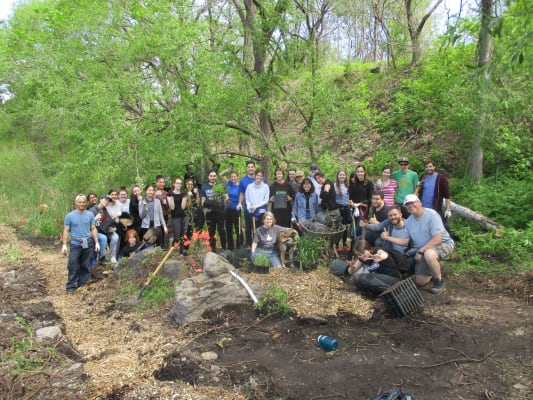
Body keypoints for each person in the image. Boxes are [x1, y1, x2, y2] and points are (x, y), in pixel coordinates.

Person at [397, 194, 455, 294]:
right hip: (426, 249)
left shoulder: (431, 215)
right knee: (420, 281)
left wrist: (421, 251)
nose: (410, 206)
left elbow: (437, 239)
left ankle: (439, 282)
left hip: (443, 244)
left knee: (429, 254)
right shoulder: (409, 222)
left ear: (419, 202)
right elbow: (405, 241)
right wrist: (388, 238)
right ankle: (438, 266)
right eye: (407, 205)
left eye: (413, 203)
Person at [61, 194, 100, 293]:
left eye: (83, 202)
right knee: (73, 263)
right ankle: (70, 285)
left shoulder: (90, 215)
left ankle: (82, 283)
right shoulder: (70, 216)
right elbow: (66, 230)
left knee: (85, 263)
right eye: (79, 202)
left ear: (86, 203)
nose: (81, 204)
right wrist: (64, 245)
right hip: (75, 243)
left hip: (87, 242)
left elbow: (93, 228)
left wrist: (97, 243)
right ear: (76, 203)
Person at [416, 160, 452, 234]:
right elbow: (418, 191)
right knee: (425, 225)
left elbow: (447, 195)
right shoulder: (423, 177)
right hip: (423, 207)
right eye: (426, 167)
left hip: (436, 207)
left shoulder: (441, 179)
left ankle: (450, 240)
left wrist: (448, 209)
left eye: (430, 166)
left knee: (443, 224)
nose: (429, 168)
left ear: (434, 167)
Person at [201, 169, 227, 251]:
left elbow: (226, 197)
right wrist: (205, 208)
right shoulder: (204, 187)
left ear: (216, 177)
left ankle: (223, 248)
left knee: (222, 230)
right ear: (208, 177)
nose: (213, 177)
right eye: (211, 176)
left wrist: (225, 202)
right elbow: (203, 200)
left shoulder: (221, 186)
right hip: (210, 213)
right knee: (211, 232)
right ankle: (213, 249)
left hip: (220, 212)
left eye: (214, 176)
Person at [139, 183, 168, 248]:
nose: (151, 192)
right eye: (149, 190)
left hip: (156, 226)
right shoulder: (142, 201)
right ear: (146, 191)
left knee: (158, 245)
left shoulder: (157, 201)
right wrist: (145, 209)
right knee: (148, 245)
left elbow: (161, 215)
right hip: (146, 226)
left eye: (152, 190)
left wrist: (164, 226)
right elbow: (141, 216)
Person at [238, 160, 259, 248]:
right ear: (247, 169)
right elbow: (242, 194)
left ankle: (259, 244)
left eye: (252, 167)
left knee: (259, 226)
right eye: (248, 167)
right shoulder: (243, 181)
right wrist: (240, 203)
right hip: (248, 207)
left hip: (259, 207)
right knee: (248, 226)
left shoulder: (260, 178)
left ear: (254, 168)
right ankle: (249, 244)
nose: (250, 168)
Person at [220, 169, 242, 250]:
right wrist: (228, 170)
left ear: (237, 177)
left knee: (237, 228)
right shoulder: (229, 183)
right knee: (229, 229)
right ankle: (230, 247)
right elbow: (221, 175)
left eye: (234, 176)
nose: (233, 178)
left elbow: (242, 196)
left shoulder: (240, 186)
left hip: (236, 209)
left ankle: (239, 246)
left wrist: (240, 203)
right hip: (228, 209)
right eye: (232, 177)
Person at [168, 177, 187, 253]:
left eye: (180, 183)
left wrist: (184, 197)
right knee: (176, 237)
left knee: (182, 235)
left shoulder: (183, 194)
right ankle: (172, 251)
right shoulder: (170, 194)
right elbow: (172, 207)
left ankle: (181, 252)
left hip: (182, 216)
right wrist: (172, 197)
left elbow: (183, 207)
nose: (179, 185)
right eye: (177, 183)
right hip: (175, 217)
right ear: (174, 184)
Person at [335, 170, 351, 251]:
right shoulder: (334, 186)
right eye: (340, 175)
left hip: (346, 208)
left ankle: (344, 243)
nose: (342, 176)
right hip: (338, 209)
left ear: (346, 176)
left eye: (343, 175)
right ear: (337, 176)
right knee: (338, 227)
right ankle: (337, 244)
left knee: (345, 227)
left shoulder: (348, 185)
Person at [155, 175, 170, 249]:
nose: (162, 184)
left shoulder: (166, 193)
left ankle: (164, 247)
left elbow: (167, 207)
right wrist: (155, 195)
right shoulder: (153, 191)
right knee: (157, 232)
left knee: (164, 231)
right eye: (160, 182)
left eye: (163, 182)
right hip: (155, 216)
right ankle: (157, 246)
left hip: (164, 215)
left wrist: (165, 203)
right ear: (157, 183)